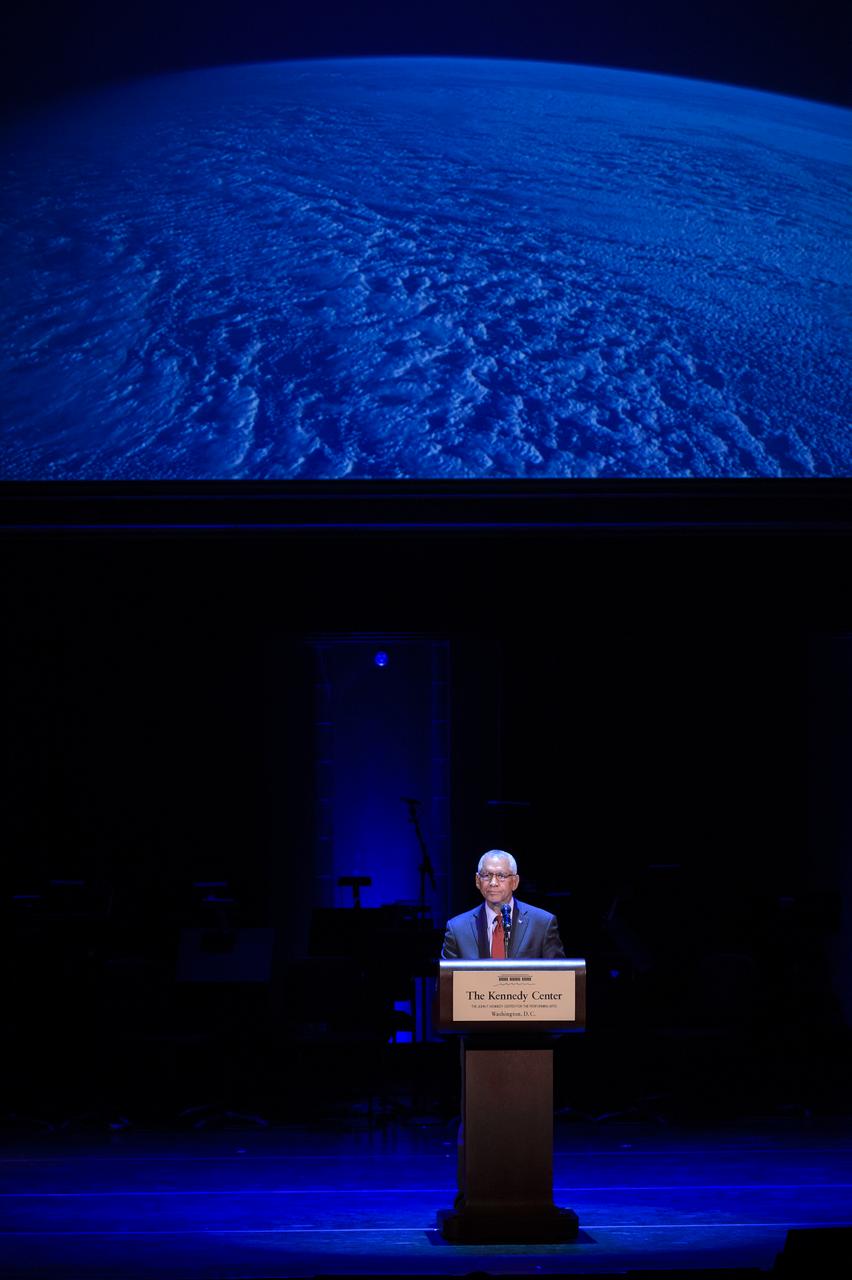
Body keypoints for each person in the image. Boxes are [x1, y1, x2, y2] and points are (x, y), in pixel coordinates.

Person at [441, 849, 565, 960]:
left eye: (501, 876)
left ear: (515, 882)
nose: (493, 882)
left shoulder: (542, 924)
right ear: (477, 881)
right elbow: (446, 982)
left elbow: (558, 978)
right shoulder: (457, 929)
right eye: (486, 875)